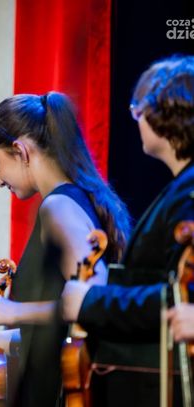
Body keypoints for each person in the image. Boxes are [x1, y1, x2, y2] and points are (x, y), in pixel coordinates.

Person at [0, 91, 131, 406]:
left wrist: (14, 310)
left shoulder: (58, 207)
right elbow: (46, 335)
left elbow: (95, 301)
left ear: (20, 150)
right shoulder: (70, 201)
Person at [61, 54, 194, 406]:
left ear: (161, 111)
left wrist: (90, 301)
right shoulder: (181, 187)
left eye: (137, 110)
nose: (135, 120)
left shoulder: (189, 192)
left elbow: (180, 296)